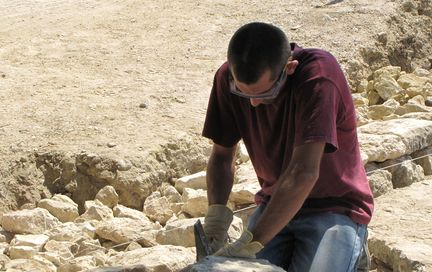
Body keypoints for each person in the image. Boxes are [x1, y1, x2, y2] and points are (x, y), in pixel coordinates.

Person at [201, 22, 374, 271]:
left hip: (335, 207)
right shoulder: (227, 78)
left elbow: (303, 172)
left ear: (289, 69)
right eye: (242, 93)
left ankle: (353, 250)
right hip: (275, 204)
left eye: (264, 94)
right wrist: (216, 216)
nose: (253, 103)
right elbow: (221, 155)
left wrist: (250, 243)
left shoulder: (318, 75)